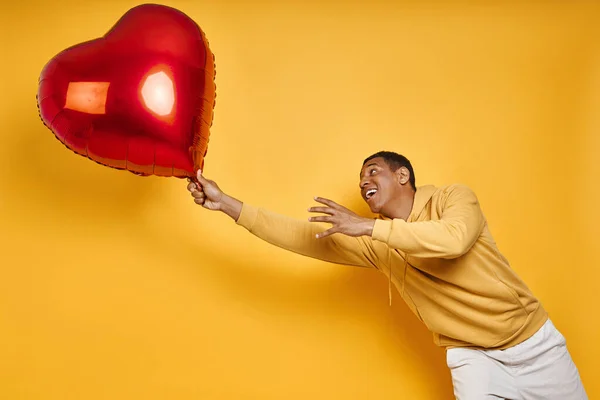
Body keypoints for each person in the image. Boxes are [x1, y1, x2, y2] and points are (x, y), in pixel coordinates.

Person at [186, 151, 587, 399]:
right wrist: (227, 205)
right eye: (362, 179)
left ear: (402, 176)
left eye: (373, 172)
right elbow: (304, 238)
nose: (363, 182)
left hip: (533, 345)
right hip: (472, 358)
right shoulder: (379, 245)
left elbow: (454, 240)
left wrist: (368, 227)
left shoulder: (453, 198)